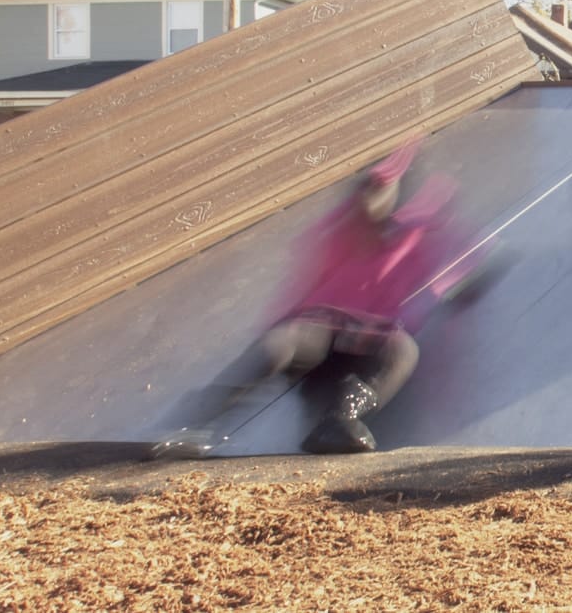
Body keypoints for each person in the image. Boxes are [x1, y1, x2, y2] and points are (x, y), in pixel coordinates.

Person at [154, 143, 477, 458]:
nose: (368, 199)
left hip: (372, 343)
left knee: (402, 350)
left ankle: (341, 420)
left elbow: (460, 256)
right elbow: (304, 285)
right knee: (286, 339)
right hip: (322, 336)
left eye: (379, 190)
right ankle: (202, 420)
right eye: (364, 190)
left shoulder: (417, 232)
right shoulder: (340, 230)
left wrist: (464, 277)